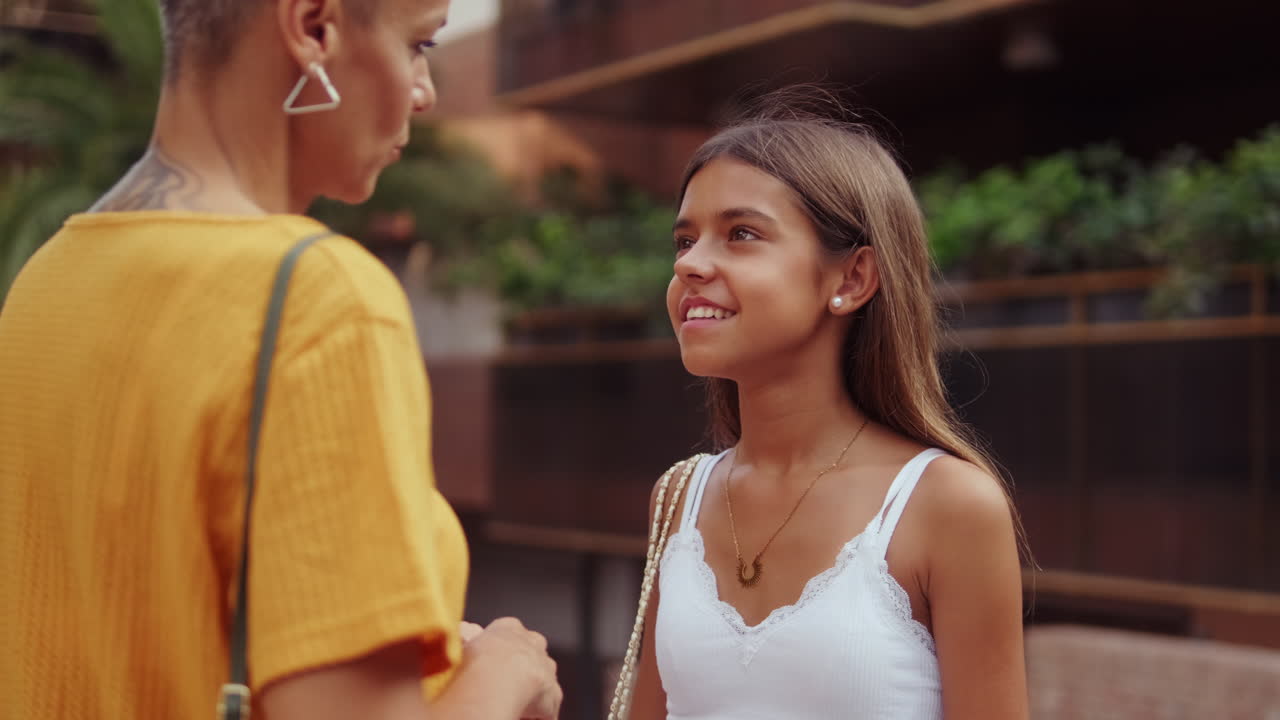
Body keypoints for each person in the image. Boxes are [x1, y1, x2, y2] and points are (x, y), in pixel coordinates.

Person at [0, 1, 561, 719]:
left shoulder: (46, 280)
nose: (424, 92)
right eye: (418, 45)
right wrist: (507, 671)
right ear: (313, 27)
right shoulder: (319, 300)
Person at [625, 97, 1029, 719]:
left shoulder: (947, 506)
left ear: (852, 279)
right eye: (684, 240)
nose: (689, 264)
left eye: (741, 234)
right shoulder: (678, 498)